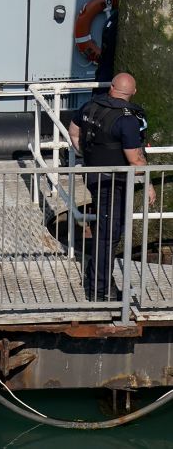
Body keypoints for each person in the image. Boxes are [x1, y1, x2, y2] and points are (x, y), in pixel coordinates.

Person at [68, 72, 155, 301]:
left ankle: (96, 277)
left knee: (106, 231)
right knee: (109, 235)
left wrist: (85, 153)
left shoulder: (90, 106)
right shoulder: (126, 119)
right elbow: (135, 159)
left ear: (112, 88)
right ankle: (99, 290)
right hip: (113, 183)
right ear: (133, 92)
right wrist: (148, 184)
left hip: (94, 178)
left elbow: (74, 132)